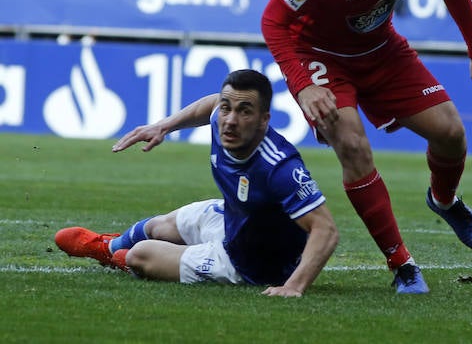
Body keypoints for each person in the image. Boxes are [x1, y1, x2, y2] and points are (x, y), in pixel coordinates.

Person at [261, 0, 472, 295]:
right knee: (353, 146)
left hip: (381, 49)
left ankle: (444, 201)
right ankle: (402, 265)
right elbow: (273, 21)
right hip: (321, 56)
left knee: (451, 133)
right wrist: (303, 84)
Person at [55, 70, 339, 297]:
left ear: (264, 120)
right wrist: (164, 125)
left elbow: (325, 230)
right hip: (234, 221)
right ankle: (109, 247)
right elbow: (211, 105)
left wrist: (294, 286)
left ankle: (123, 258)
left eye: (244, 111)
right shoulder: (222, 119)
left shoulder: (279, 168)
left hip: (250, 265)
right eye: (227, 108)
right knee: (158, 226)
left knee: (140, 255)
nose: (230, 120)